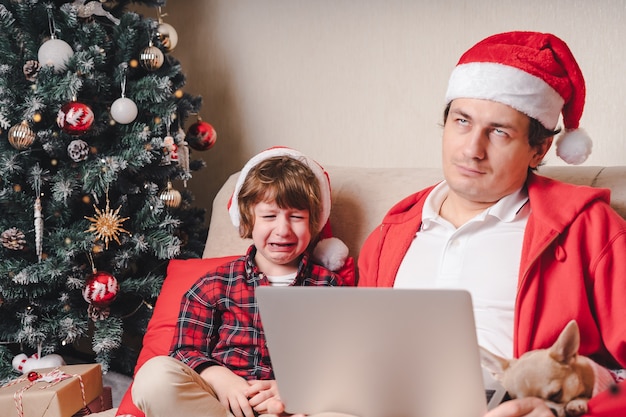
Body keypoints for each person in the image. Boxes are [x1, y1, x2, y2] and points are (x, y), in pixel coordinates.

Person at [264, 31, 626, 417]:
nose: (472, 148)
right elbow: (358, 356)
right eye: (462, 121)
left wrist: (562, 408)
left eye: (499, 131)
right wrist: (312, 388)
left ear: (538, 149)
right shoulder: (391, 234)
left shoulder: (589, 228)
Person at [130, 147, 354, 417]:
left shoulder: (329, 288)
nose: (282, 229)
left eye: (296, 217)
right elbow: (185, 351)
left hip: (292, 407)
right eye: (269, 216)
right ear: (248, 218)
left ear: (313, 222)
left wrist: (293, 390)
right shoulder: (214, 284)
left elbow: (340, 366)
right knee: (154, 377)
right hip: (220, 406)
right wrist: (221, 379)